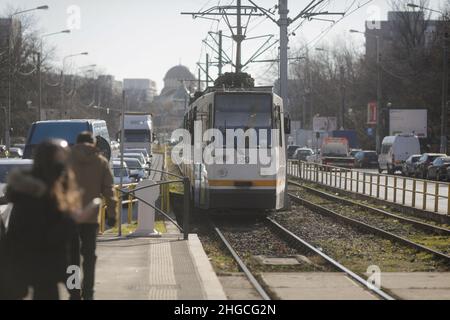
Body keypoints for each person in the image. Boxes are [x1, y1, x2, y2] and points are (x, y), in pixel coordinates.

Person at [2, 139, 81, 300]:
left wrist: (75, 289)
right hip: (37, 276)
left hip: (46, 277)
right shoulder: (31, 198)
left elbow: (73, 251)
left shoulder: (61, 191)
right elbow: (37, 239)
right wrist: (71, 221)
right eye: (63, 158)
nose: (67, 163)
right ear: (50, 162)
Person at [69, 131, 117, 300]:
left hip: (69, 217)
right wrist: (112, 214)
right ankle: (88, 292)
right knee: (89, 257)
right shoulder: (100, 162)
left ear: (77, 143)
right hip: (90, 218)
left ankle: (74, 292)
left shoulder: (66, 160)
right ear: (94, 144)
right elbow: (109, 191)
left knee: (72, 258)